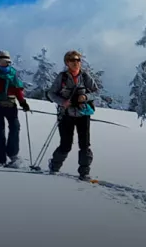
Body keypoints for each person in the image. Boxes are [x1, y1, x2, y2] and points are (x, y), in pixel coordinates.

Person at [48, 50, 98, 179]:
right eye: (72, 60)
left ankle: (84, 172)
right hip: (66, 115)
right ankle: (54, 166)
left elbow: (96, 92)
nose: (76, 63)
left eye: (78, 60)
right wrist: (63, 102)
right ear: (67, 63)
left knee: (85, 144)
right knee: (66, 144)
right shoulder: (62, 77)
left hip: (83, 114)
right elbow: (51, 94)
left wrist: (85, 96)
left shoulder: (85, 76)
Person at [0, 50, 31, 167]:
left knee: (15, 127)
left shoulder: (12, 73)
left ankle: (12, 154)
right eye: (1, 61)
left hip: (10, 105)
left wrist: (23, 102)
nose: (4, 63)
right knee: (0, 130)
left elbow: (17, 90)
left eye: (6, 61)